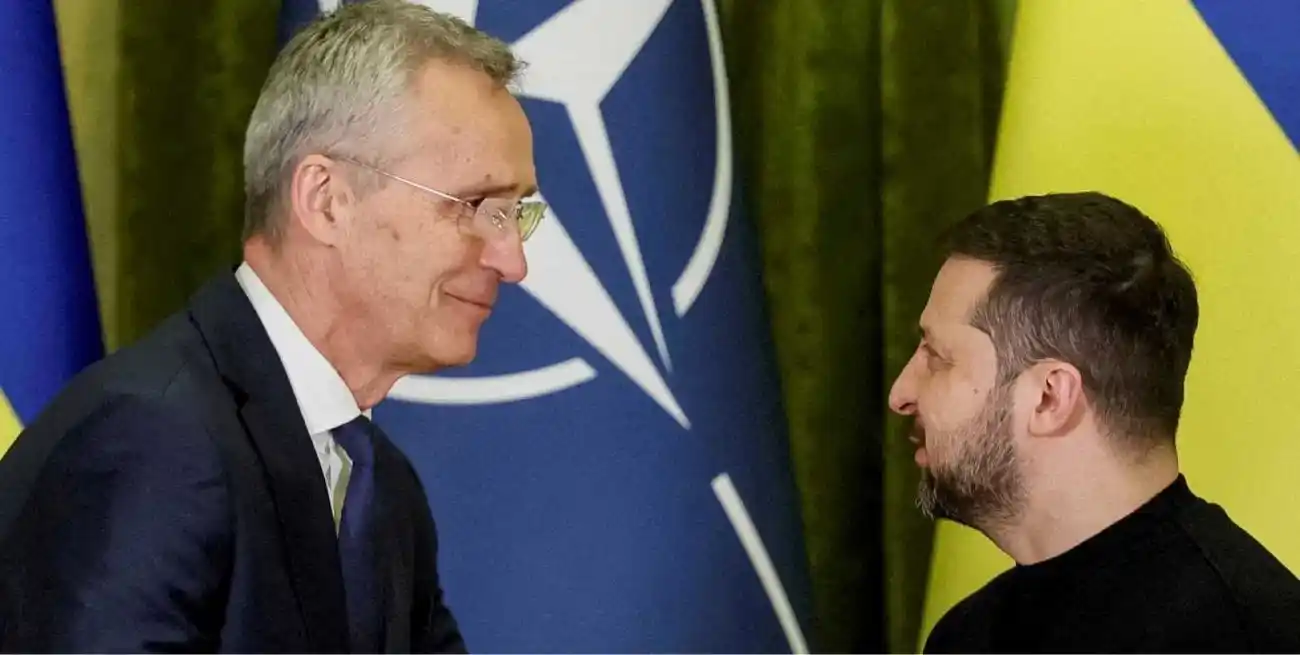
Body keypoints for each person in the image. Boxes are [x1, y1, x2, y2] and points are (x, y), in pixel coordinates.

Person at [0, 1, 545, 652]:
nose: (512, 261)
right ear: (326, 201)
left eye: (517, 214)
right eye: (477, 206)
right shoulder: (154, 442)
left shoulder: (381, 489)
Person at [889, 191, 1300, 653]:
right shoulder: (967, 635)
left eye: (938, 357)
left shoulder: (1253, 638)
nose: (900, 394)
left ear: (1049, 397)